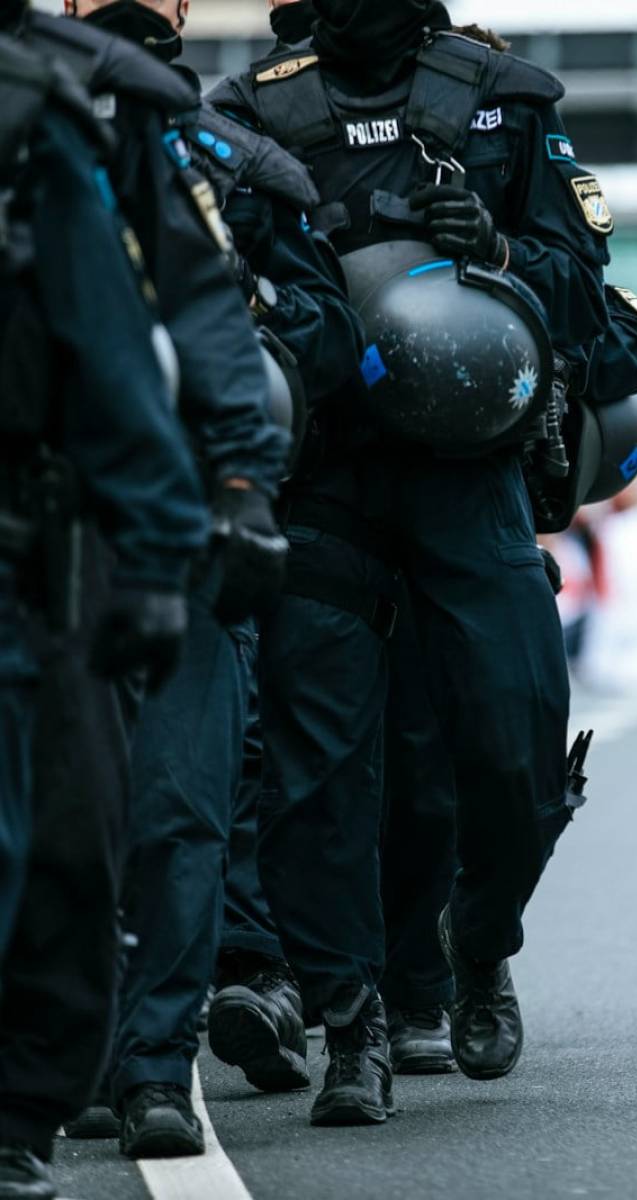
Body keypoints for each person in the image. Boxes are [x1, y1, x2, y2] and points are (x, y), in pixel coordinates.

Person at [207, 0, 611, 1128]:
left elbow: (587, 292)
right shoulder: (246, 116)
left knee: (516, 740)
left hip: (468, 472)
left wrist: (495, 247)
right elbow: (206, 290)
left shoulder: (503, 98)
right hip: (326, 473)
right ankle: (352, 1025)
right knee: (315, 771)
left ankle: (477, 946)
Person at [51, 0, 365, 1157]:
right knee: (61, 807)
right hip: (42, 535)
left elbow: (297, 337)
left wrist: (244, 463)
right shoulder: (28, 121)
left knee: (182, 810)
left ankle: (146, 1070)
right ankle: (66, 1057)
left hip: (183, 525)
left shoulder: (229, 162)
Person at [0, 22, 209, 1197]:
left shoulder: (33, 116)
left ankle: (16, 1114)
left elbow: (112, 345)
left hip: (19, 551)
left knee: (64, 841)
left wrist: (161, 555)